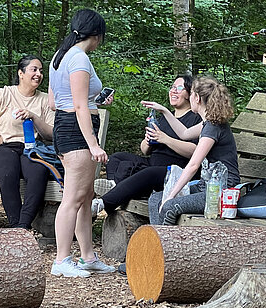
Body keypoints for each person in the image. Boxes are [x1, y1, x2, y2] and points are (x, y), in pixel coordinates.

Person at [48, 8, 115, 278]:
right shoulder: (79, 59)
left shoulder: (60, 56)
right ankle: (61, 259)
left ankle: (88, 257)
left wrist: (96, 100)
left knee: (85, 197)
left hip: (66, 127)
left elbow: (54, 102)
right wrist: (94, 144)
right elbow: (78, 106)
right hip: (76, 133)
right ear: (96, 34)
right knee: (73, 198)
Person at [0, 55, 55, 229]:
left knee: (39, 173)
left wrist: (34, 116)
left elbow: (51, 134)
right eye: (34, 70)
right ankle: (16, 225)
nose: (38, 74)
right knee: (8, 173)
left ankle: (22, 226)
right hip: (3, 148)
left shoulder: (45, 100)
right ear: (21, 73)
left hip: (31, 149)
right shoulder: (5, 94)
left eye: (41, 71)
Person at [94, 75, 202, 215]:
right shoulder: (163, 118)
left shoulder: (195, 119)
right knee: (117, 158)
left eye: (179, 88)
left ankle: (102, 203)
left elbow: (194, 151)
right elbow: (145, 151)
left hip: (173, 170)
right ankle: (115, 186)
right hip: (152, 162)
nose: (174, 91)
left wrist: (165, 139)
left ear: (189, 93)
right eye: (172, 87)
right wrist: (148, 141)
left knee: (149, 173)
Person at [142, 76, 240, 226]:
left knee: (169, 206)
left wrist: (171, 195)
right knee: (156, 198)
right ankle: (157, 238)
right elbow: (184, 133)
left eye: (192, 93)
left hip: (221, 190)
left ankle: (166, 240)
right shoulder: (208, 123)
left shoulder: (213, 127)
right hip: (206, 186)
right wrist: (164, 111)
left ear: (197, 98)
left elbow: (193, 165)